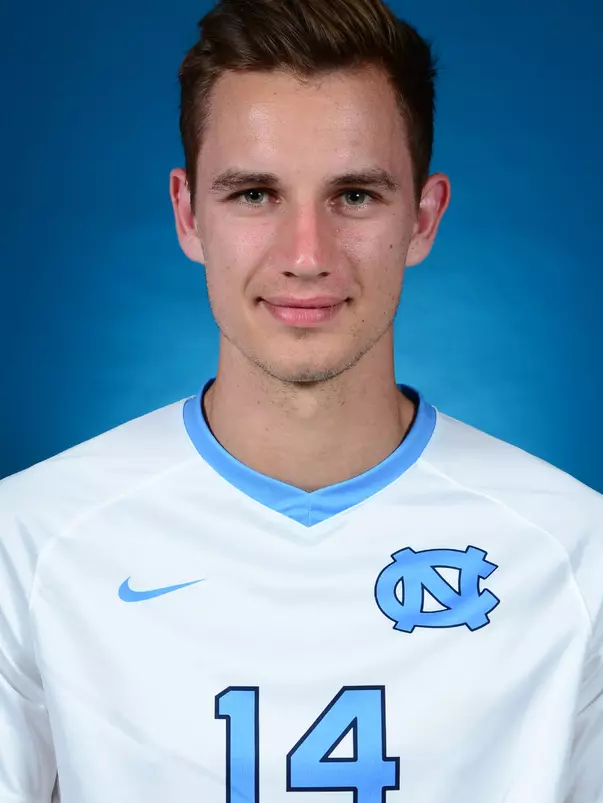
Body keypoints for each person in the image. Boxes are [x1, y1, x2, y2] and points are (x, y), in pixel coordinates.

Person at [1, 0, 602, 800]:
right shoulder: (31, 541)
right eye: (255, 194)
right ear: (188, 214)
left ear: (423, 218)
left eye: (353, 195)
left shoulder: (575, 555)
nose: (306, 255)